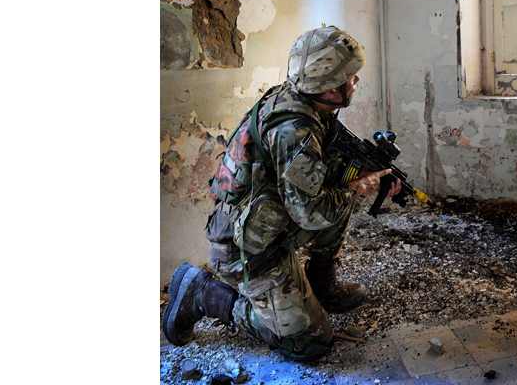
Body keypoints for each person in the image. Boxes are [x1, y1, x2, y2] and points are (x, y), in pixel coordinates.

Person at [162, 26, 400, 362]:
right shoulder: (296, 131)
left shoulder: (303, 102)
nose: (355, 83)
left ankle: (320, 285)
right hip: (246, 250)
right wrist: (360, 187)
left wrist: (359, 174)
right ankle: (202, 293)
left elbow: (320, 177)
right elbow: (311, 213)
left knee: (341, 181)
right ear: (330, 89)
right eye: (351, 78)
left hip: (269, 227)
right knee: (311, 343)